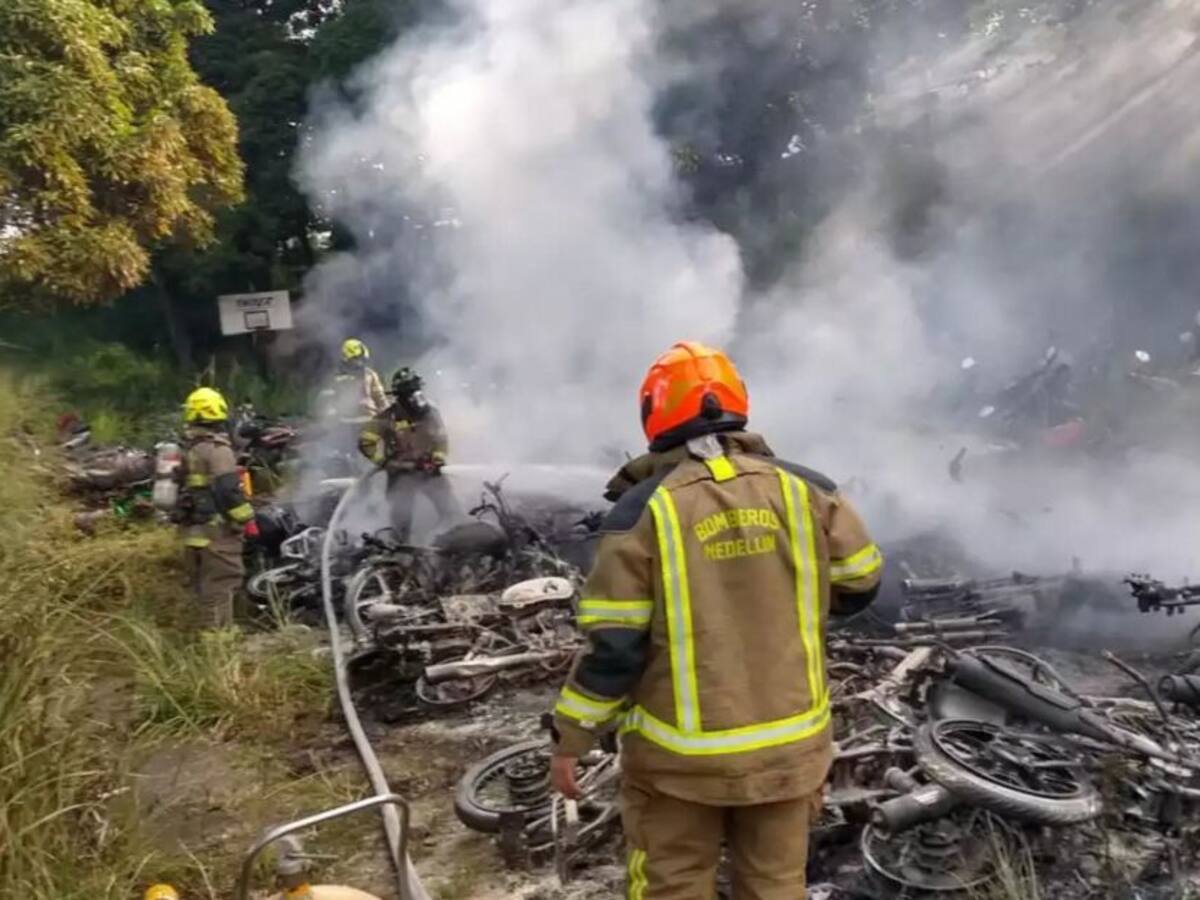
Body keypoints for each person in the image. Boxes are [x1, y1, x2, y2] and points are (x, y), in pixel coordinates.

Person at [550, 341, 883, 900]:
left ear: (654, 413)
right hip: (790, 751)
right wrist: (785, 604)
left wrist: (570, 739)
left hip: (679, 767)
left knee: (672, 886)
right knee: (776, 885)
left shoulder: (640, 512)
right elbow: (862, 582)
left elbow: (615, 649)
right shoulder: (809, 489)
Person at [179, 387, 257, 629]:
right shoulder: (218, 450)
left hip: (192, 533)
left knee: (204, 589)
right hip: (217, 535)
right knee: (221, 587)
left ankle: (206, 638)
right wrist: (248, 519)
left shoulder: (188, 449)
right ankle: (217, 647)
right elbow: (228, 490)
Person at [358, 367, 460, 542]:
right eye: (411, 393)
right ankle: (399, 557)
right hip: (401, 477)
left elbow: (441, 440)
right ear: (401, 396)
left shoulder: (430, 413)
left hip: (430, 473)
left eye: (417, 391)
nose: (417, 397)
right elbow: (365, 443)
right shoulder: (388, 418)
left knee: (452, 512)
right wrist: (384, 462)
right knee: (401, 524)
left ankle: (446, 544)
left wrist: (437, 459)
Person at [335, 338, 389, 420]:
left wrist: (387, 413)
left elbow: (380, 398)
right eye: (356, 359)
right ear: (346, 359)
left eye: (362, 359)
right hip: (349, 422)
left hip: (372, 420)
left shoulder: (370, 375)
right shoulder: (338, 378)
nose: (360, 362)